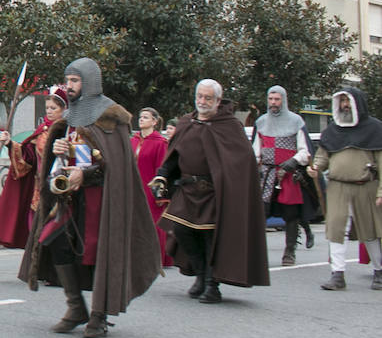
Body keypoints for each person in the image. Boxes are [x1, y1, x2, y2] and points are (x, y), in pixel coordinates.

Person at [20, 58, 161, 337]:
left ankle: (99, 315)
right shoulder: (69, 119)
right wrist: (58, 149)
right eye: (67, 80)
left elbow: (116, 167)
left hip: (102, 202)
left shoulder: (111, 118)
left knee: (100, 254)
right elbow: (65, 157)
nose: (69, 86)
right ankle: (76, 307)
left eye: (74, 81)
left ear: (90, 82)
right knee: (53, 240)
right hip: (70, 200)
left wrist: (85, 176)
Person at [152, 79, 270, 303]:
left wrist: (228, 184)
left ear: (218, 100)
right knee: (181, 230)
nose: (202, 101)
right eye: (199, 96)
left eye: (208, 98)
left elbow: (241, 162)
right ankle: (200, 274)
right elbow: (174, 155)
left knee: (210, 238)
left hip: (214, 193)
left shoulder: (229, 126)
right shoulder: (187, 123)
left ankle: (211, 285)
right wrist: (162, 175)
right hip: (187, 190)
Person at [307, 87, 382, 291]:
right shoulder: (332, 131)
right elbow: (323, 155)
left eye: (348, 102)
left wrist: (381, 192)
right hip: (337, 187)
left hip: (365, 186)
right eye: (341, 102)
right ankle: (337, 275)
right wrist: (315, 167)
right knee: (337, 230)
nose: (345, 106)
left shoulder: (375, 129)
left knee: (371, 232)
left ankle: (379, 272)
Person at [0, 87, 68, 249]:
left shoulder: (68, 131)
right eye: (47, 108)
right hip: (39, 190)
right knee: (36, 232)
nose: (49, 112)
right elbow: (28, 157)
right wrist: (10, 143)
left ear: (64, 109)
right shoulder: (42, 131)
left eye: (54, 108)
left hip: (61, 190)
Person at [253, 86, 318, 266]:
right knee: (261, 213)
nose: (273, 103)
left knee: (291, 214)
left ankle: (289, 252)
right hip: (267, 174)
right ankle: (256, 253)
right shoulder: (261, 122)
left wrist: (294, 161)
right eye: (271, 99)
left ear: (283, 100)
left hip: (288, 173)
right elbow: (256, 150)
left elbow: (305, 151)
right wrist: (255, 165)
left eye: (277, 99)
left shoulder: (296, 121)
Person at [131, 107, 173, 267]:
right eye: (140, 117)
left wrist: (161, 193)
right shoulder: (132, 140)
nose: (141, 119)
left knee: (153, 222)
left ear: (154, 122)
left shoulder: (160, 143)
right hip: (134, 186)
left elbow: (162, 168)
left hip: (150, 187)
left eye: (146, 117)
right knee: (134, 222)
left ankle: (156, 257)